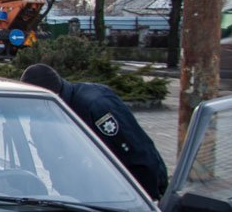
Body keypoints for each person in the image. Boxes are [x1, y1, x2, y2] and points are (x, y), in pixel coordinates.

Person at [21, 63, 168, 199]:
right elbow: (53, 163)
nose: (32, 113)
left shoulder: (95, 105)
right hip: (82, 200)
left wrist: (147, 201)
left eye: (36, 106)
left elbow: (137, 153)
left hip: (123, 197)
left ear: (52, 96)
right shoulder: (41, 115)